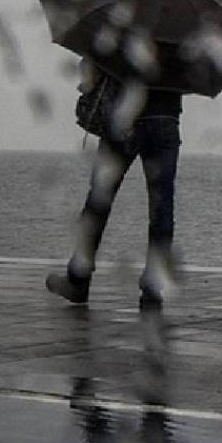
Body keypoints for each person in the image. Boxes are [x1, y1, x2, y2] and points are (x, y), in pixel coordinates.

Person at [46, 59, 183, 308]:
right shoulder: (185, 28)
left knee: (99, 200)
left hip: (124, 119)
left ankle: (78, 278)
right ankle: (153, 287)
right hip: (164, 119)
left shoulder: (127, 22)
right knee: (162, 206)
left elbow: (97, 63)